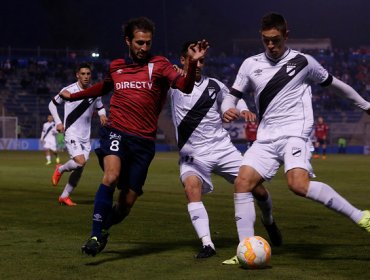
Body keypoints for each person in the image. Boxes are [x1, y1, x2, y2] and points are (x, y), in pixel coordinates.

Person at [221, 13, 370, 264]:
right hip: (266, 138)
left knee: (297, 185)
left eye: (275, 40)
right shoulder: (250, 64)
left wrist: (365, 104)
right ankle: (244, 249)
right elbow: (232, 95)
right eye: (266, 40)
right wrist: (228, 107)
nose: (271, 45)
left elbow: (336, 85)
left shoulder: (304, 62)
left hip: (294, 134)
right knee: (242, 183)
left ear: (286, 35)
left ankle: (361, 216)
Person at [59, 17, 209, 256]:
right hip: (116, 131)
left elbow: (186, 86)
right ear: (128, 41)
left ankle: (105, 228)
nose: (144, 48)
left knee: (126, 204)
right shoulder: (117, 66)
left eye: (148, 43)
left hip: (143, 142)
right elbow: (104, 87)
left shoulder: (160, 65)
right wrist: (75, 96)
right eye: (139, 42)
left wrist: (191, 63)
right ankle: (95, 235)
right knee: (111, 175)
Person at [169, 41, 282, 258]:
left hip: (222, 149)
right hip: (193, 155)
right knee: (191, 189)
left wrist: (239, 110)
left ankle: (269, 221)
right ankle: (207, 244)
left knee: (257, 188)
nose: (199, 64)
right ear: (183, 60)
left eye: (202, 60)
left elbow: (231, 100)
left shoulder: (214, 85)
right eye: (194, 60)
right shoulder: (173, 86)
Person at [49, 62, 107, 206]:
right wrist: (58, 122)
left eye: (88, 74)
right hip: (71, 132)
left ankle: (64, 196)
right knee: (80, 162)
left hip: (85, 136)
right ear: (77, 75)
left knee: (80, 167)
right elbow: (52, 105)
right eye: (83, 74)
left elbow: (100, 107)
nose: (86, 76)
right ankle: (60, 168)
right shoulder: (68, 90)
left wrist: (102, 115)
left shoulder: (95, 91)